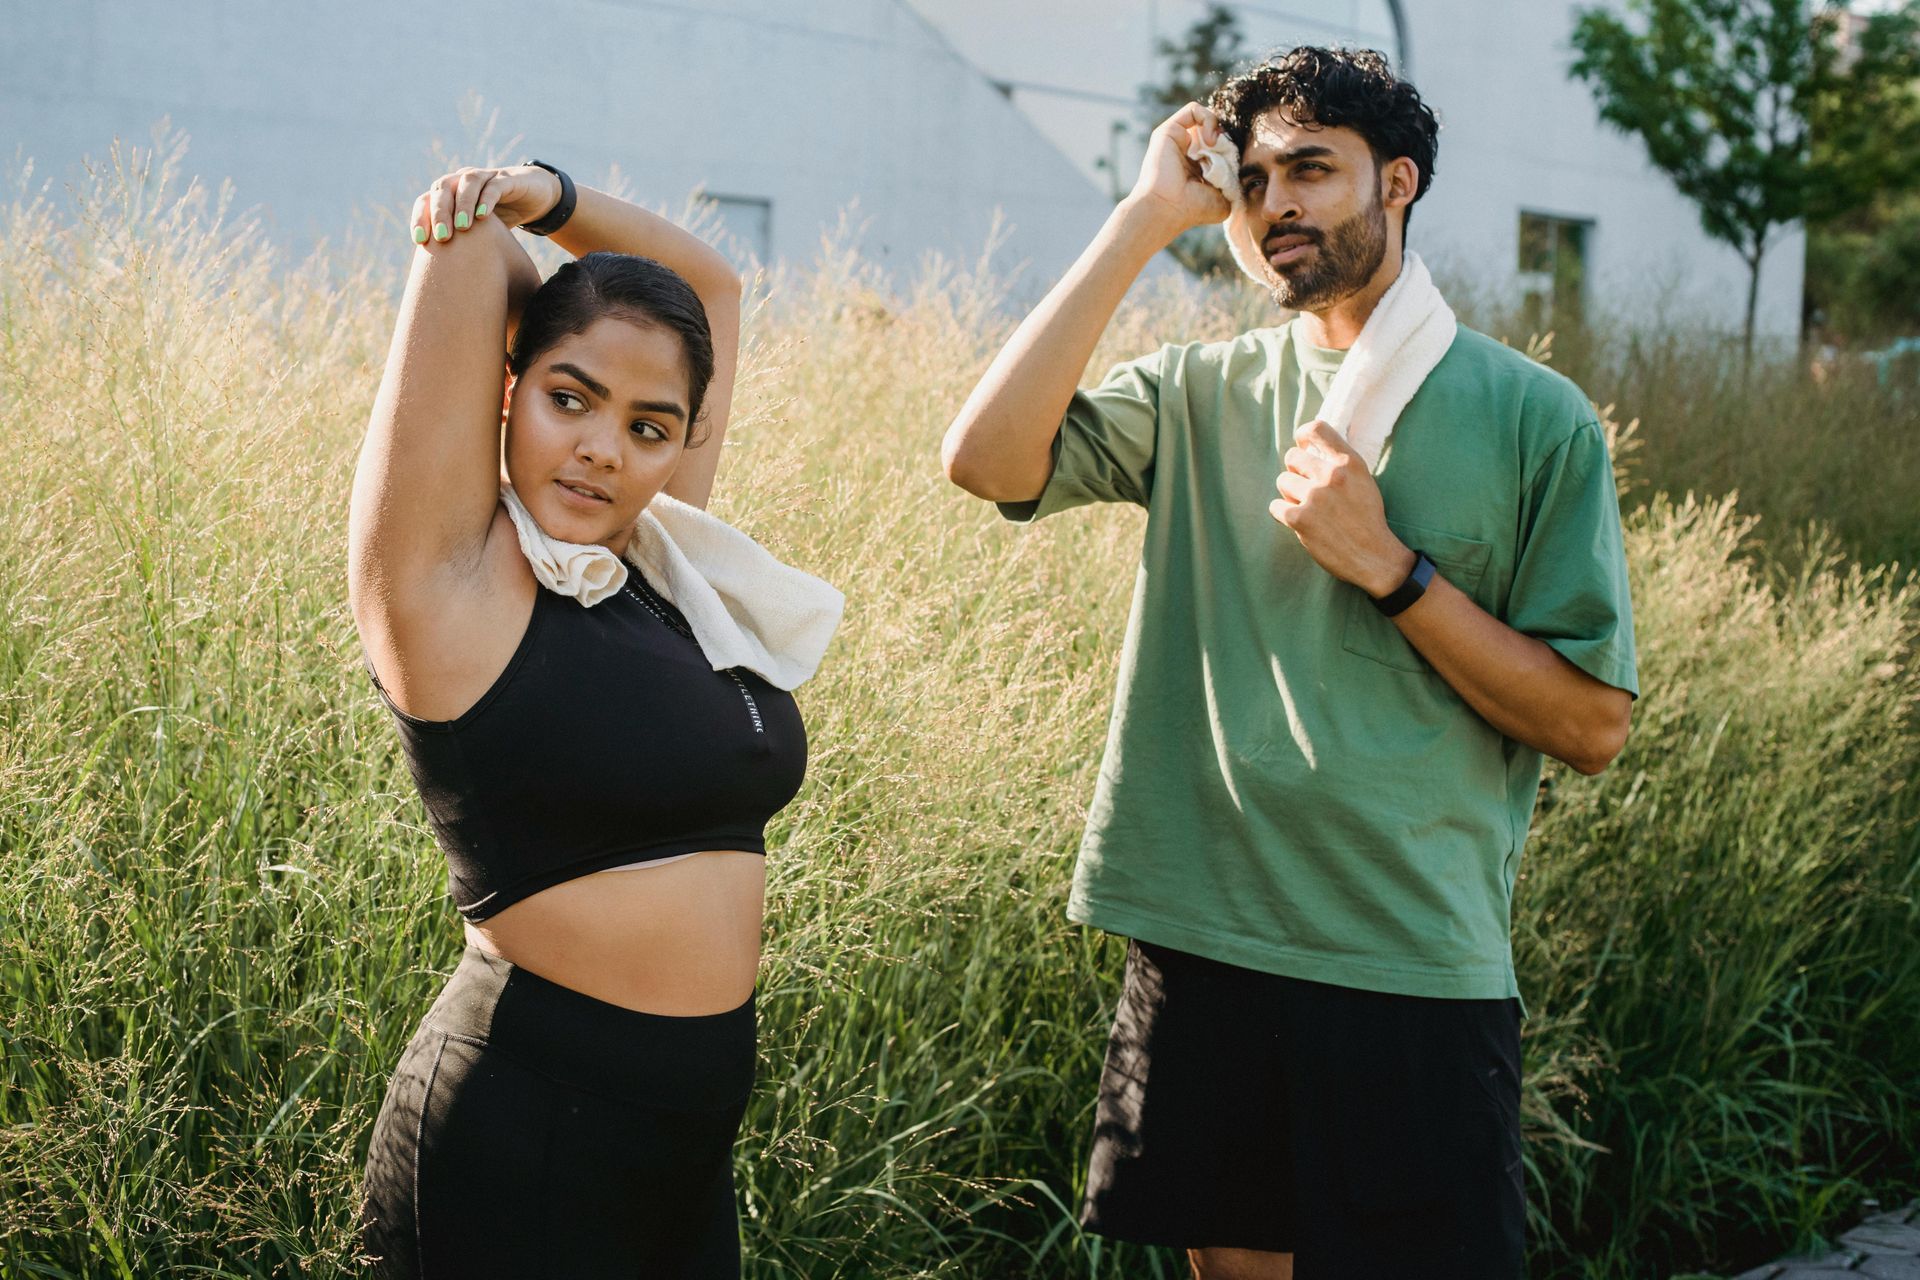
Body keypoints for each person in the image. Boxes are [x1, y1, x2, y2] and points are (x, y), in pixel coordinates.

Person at [942, 47, 1638, 1280]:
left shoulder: (1538, 419)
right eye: (1254, 178)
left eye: (1313, 170)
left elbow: (1589, 725)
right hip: (1211, 941)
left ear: (1401, 183)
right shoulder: (1203, 388)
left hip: (1412, 957)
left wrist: (1393, 568)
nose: (1277, 206)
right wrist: (1148, 214)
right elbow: (987, 459)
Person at [350, 161, 817, 1278]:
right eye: (571, 398)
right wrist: (500, 216)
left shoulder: (651, 560)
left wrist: (553, 197)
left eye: (652, 426)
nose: (607, 448)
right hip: (523, 1131)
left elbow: (711, 285)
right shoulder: (447, 580)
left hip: (684, 1148)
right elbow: (466, 253)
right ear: (505, 384)